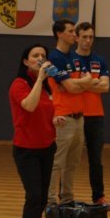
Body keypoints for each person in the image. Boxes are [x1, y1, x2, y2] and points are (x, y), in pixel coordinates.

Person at [9, 44, 56, 218]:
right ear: (26, 61)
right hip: (26, 150)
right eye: (35, 55)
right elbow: (29, 106)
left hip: (46, 147)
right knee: (34, 196)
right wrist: (39, 80)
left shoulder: (47, 86)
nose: (40, 58)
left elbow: (45, 112)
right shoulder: (19, 84)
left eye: (43, 55)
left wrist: (56, 120)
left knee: (42, 198)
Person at [47, 19, 93, 205]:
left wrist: (75, 84)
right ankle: (50, 200)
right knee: (57, 162)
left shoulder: (75, 57)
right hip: (63, 117)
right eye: (71, 31)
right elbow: (73, 87)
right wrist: (78, 84)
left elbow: (89, 80)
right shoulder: (54, 58)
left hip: (79, 116)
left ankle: (67, 198)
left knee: (72, 163)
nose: (75, 34)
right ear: (59, 34)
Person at [73, 22, 110, 209]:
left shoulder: (100, 60)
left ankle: (99, 196)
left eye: (91, 37)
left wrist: (83, 83)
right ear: (76, 38)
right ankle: (64, 195)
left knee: (96, 159)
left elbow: (106, 86)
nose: (88, 40)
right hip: (74, 114)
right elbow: (69, 85)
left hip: (96, 115)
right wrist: (93, 82)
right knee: (69, 159)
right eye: (84, 37)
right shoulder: (69, 59)